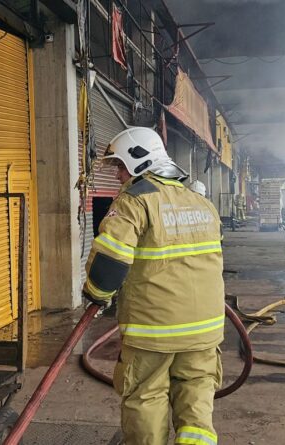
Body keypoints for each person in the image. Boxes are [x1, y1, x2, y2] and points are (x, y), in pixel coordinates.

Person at [82, 127, 224, 445]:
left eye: (119, 166)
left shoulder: (135, 201)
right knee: (197, 407)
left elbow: (109, 264)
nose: (118, 175)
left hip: (154, 333)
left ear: (138, 160)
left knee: (146, 399)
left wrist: (96, 294)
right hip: (205, 333)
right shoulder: (202, 203)